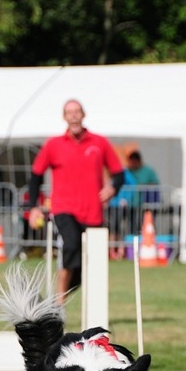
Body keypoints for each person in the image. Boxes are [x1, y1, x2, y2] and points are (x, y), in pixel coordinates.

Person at [28, 99, 124, 303]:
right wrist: (33, 207)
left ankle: (54, 300)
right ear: (64, 117)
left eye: (77, 111)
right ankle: (58, 305)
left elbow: (119, 174)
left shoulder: (99, 142)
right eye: (69, 112)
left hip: (92, 212)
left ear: (83, 115)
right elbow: (35, 175)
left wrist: (112, 188)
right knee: (70, 246)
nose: (73, 115)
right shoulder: (53, 144)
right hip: (64, 209)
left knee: (87, 266)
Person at [126, 150, 161, 234]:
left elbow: (155, 183)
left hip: (146, 204)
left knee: (147, 223)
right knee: (133, 224)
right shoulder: (128, 172)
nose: (132, 165)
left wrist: (145, 186)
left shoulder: (148, 171)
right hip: (132, 204)